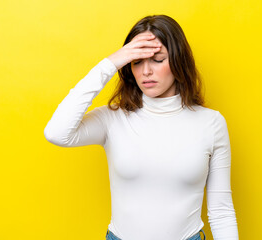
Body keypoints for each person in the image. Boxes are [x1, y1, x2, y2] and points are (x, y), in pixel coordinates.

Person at [44, 14, 239, 240]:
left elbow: (221, 211)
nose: (146, 71)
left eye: (158, 60)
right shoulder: (113, 118)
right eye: (137, 61)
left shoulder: (211, 123)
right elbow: (56, 133)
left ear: (178, 62)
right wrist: (110, 63)